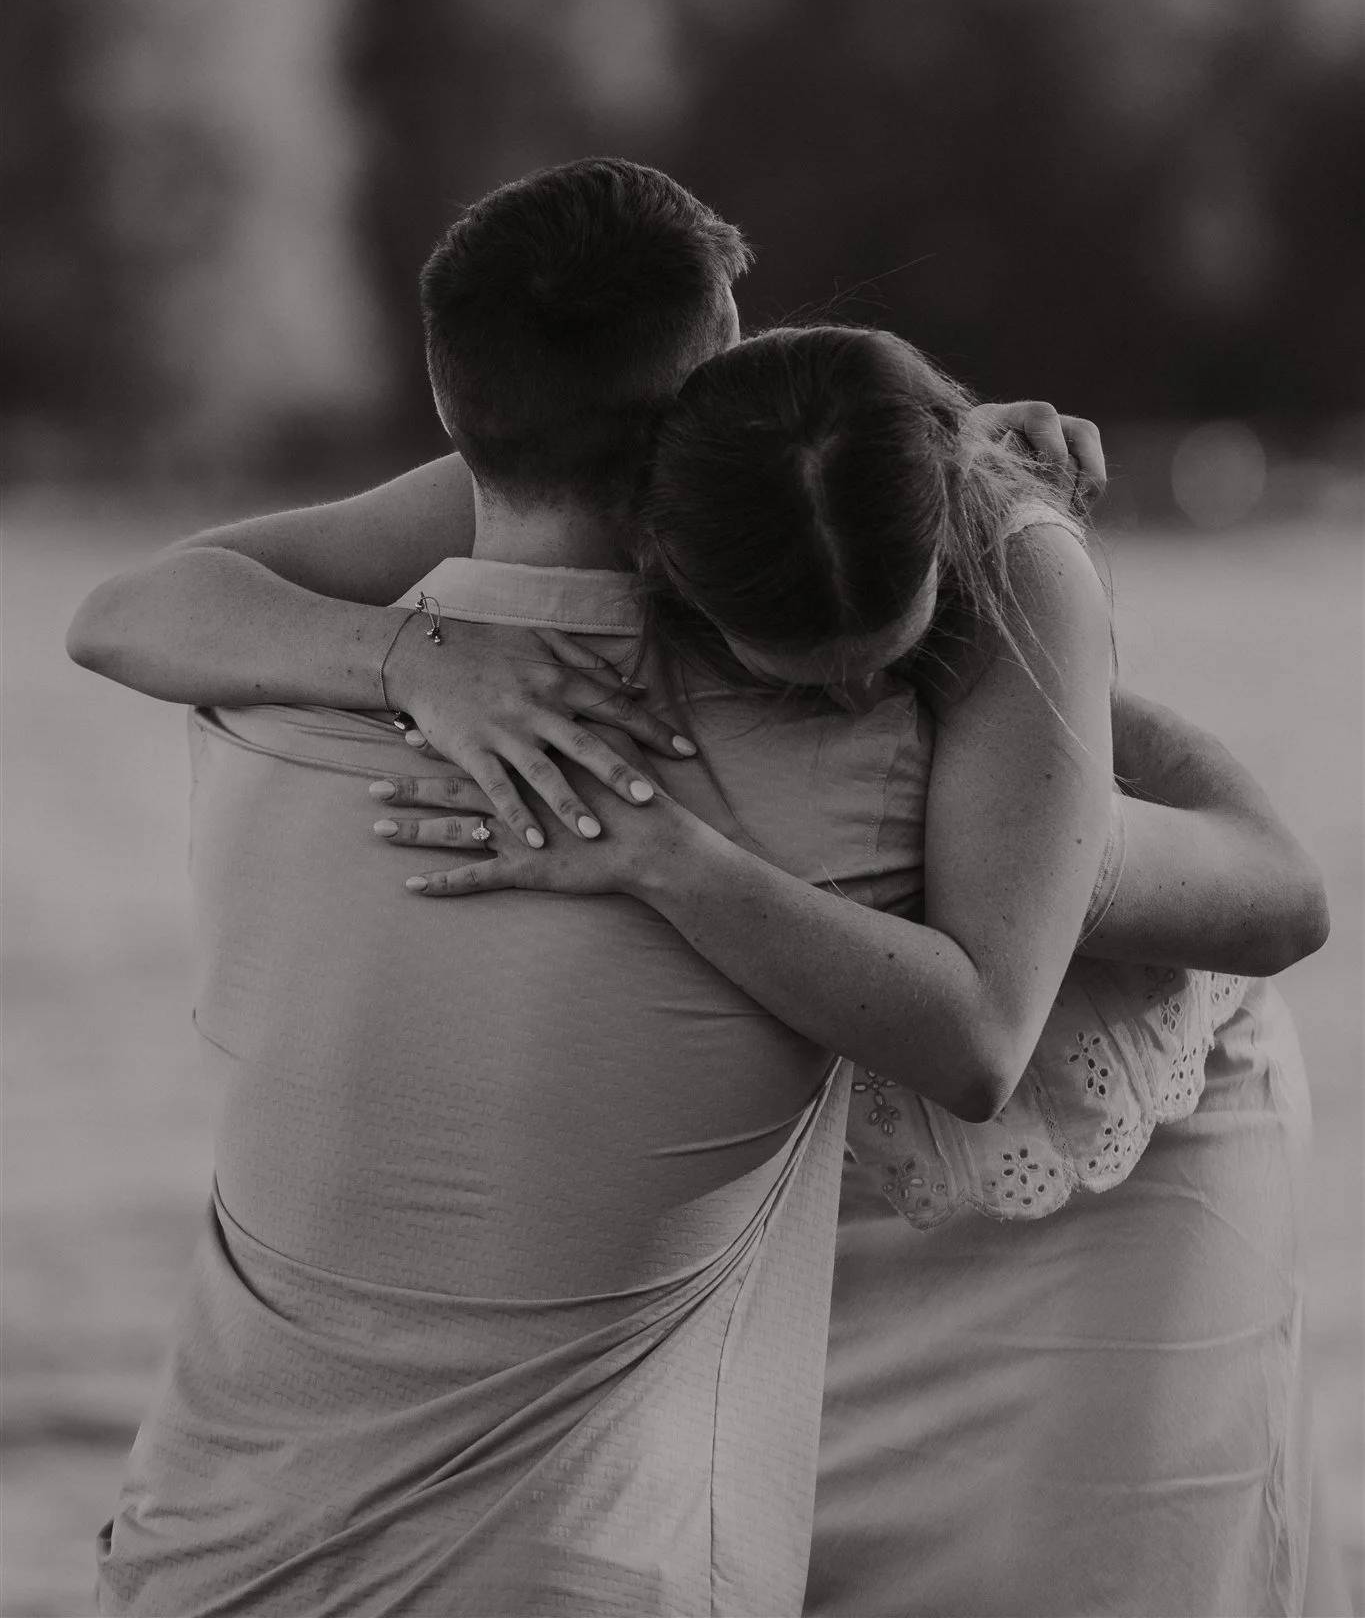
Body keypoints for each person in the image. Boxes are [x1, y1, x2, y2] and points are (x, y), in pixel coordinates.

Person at [70, 161, 1334, 1615]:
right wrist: (415, 658)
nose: (854, 694)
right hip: (760, 1255)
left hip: (1093, 1194)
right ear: (683, 433)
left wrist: (986, 578)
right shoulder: (741, 645)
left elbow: (1234, 915)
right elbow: (124, 608)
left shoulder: (962, 624)